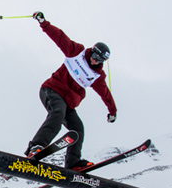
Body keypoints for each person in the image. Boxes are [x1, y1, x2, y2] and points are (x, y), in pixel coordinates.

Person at [25, 12, 116, 170]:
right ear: (92, 51)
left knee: (78, 129)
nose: (94, 60)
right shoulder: (77, 52)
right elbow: (60, 38)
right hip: (51, 90)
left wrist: (112, 111)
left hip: (68, 103)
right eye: (94, 56)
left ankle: (73, 163)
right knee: (58, 113)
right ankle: (36, 146)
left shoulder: (97, 76)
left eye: (99, 60)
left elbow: (105, 94)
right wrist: (44, 23)